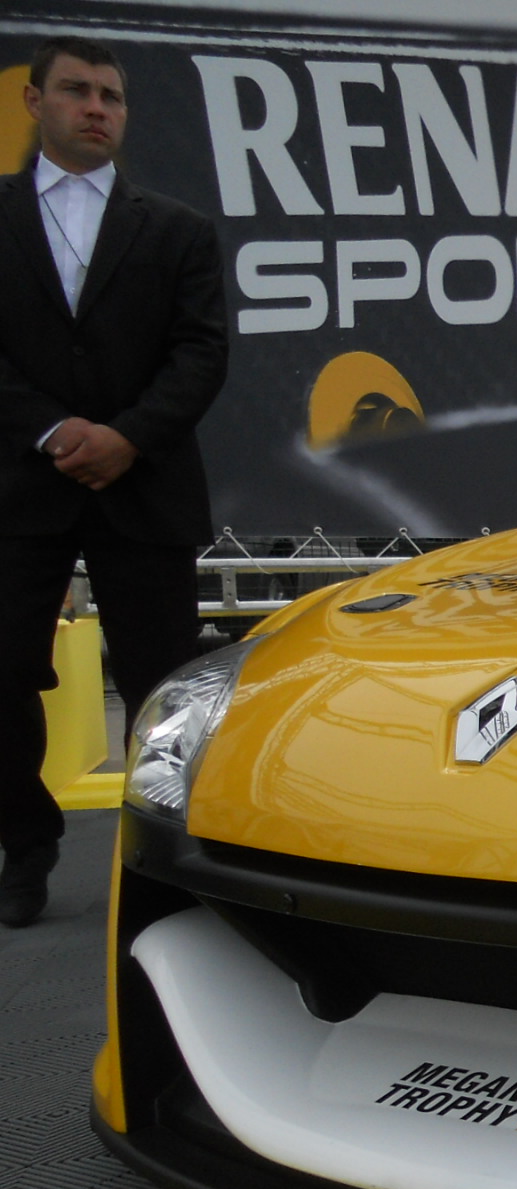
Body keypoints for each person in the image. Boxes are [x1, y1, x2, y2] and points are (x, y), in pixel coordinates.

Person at [0, 36, 228, 926]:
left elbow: (201, 353)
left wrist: (127, 437)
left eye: (112, 96)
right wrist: (55, 430)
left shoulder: (178, 229)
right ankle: (26, 844)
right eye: (77, 90)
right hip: (20, 487)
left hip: (146, 486)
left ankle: (167, 860)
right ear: (35, 102)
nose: (97, 107)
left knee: (162, 689)